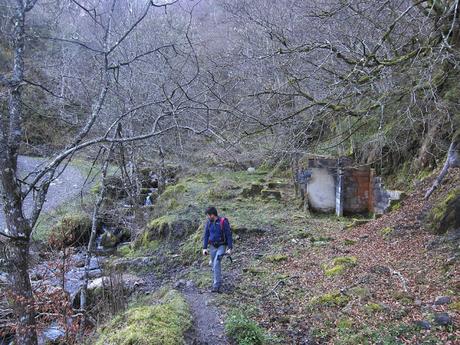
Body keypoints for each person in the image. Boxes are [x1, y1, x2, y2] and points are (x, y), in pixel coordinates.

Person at [202, 206, 233, 293]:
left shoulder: (223, 222)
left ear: (212, 215)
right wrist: (204, 248)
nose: (208, 217)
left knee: (216, 263)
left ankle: (216, 285)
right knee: (214, 264)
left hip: (221, 246)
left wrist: (230, 248)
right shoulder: (208, 223)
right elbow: (206, 235)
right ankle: (217, 280)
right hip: (212, 246)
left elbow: (229, 235)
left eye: (208, 215)